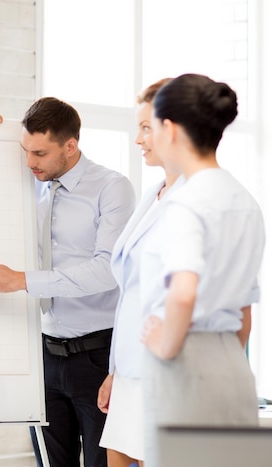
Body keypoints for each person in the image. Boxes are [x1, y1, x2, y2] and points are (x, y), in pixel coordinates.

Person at [0, 97, 136, 467]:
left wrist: (21, 281)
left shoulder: (112, 188)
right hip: (43, 355)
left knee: (102, 463)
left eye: (40, 153)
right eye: (26, 151)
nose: (30, 162)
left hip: (98, 356)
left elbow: (106, 270)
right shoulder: (29, 182)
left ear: (70, 145)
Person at [139, 73, 264, 467]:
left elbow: (183, 292)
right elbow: (245, 311)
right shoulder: (245, 201)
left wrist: (165, 344)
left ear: (170, 129)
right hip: (234, 365)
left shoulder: (186, 203)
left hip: (185, 364)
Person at [96, 78, 183, 467]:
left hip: (166, 374)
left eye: (146, 128)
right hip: (131, 369)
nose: (138, 139)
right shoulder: (154, 193)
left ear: (173, 129)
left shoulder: (198, 199)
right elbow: (130, 293)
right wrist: (116, 369)